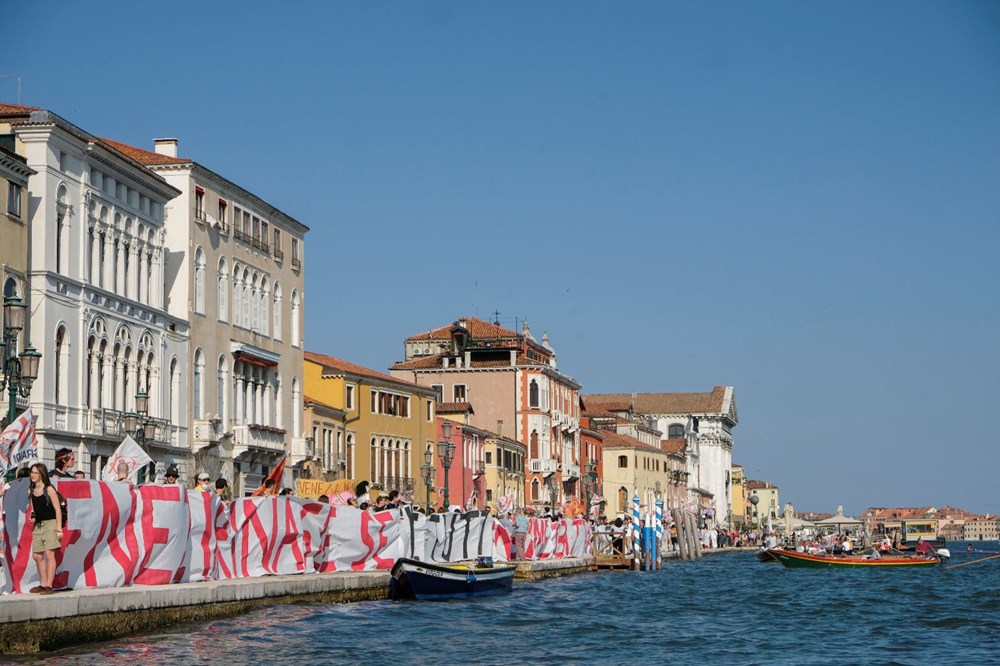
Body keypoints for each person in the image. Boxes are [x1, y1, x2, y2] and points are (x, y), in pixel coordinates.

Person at [28, 463, 62, 594]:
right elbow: (33, 508)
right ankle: (42, 584)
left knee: (49, 554)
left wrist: (59, 529)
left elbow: (57, 509)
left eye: (36, 473)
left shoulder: (49, 489)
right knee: (37, 555)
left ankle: (49, 585)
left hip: (50, 524)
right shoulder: (31, 490)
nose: (33, 475)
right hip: (38, 525)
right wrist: (33, 516)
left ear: (42, 474)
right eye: (32, 472)